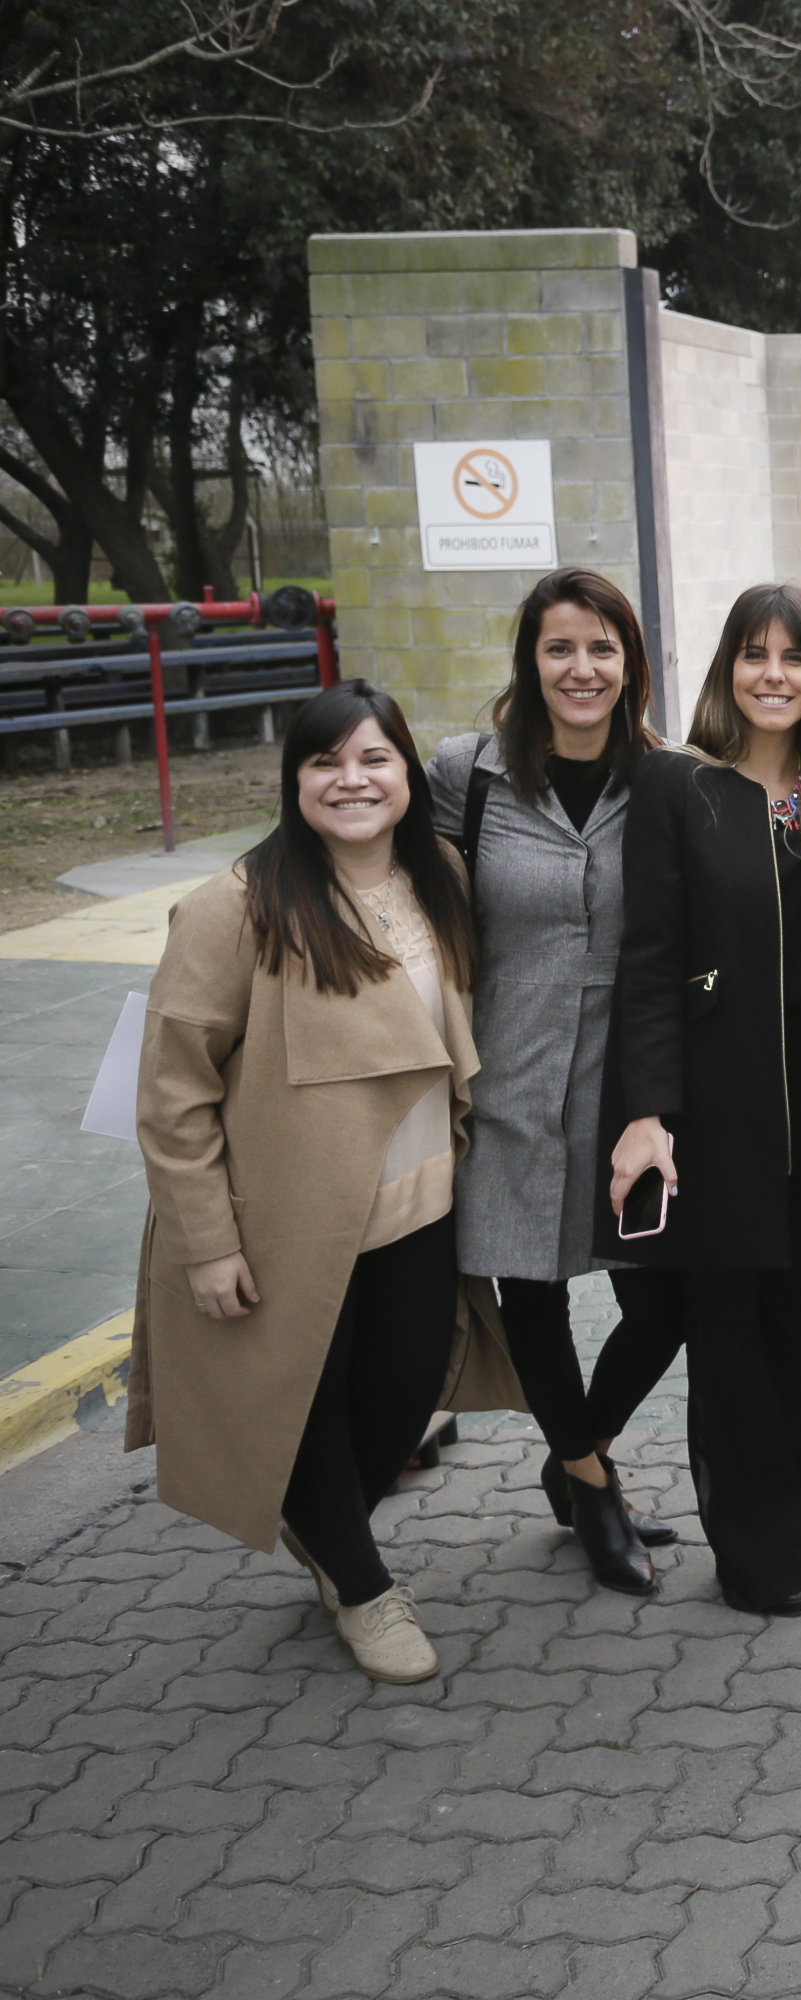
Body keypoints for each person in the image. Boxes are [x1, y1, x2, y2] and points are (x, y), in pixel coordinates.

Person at [131, 680, 502, 1683]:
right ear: (294, 781)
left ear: (407, 774)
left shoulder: (444, 877)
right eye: (325, 762)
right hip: (281, 1225)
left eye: (375, 758)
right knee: (295, 1408)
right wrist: (207, 1241)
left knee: (400, 1399)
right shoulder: (234, 907)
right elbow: (172, 1093)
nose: (352, 780)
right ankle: (363, 1584)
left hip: (419, 1203)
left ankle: (330, 1531)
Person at [600, 583, 801, 1616]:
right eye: (754, 654)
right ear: (726, 669)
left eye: (794, 657)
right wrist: (648, 1110)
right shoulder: (680, 786)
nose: (773, 674)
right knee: (727, 1332)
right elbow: (651, 958)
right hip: (714, 1116)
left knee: (787, 1320)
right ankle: (757, 1557)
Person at [428, 568, 682, 1596]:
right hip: (509, 1067)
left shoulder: (663, 778)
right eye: (560, 648)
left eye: (603, 647)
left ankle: (575, 1449)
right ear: (530, 661)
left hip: (626, 1077)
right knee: (530, 1294)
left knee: (665, 1299)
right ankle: (591, 1485)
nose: (582, 668)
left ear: (631, 663)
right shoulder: (469, 774)